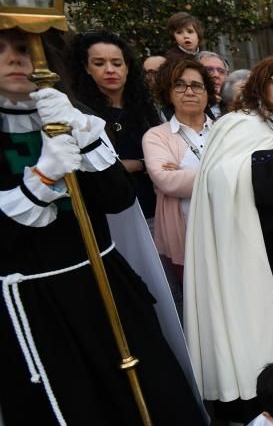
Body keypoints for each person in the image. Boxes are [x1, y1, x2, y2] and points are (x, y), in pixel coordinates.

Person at [0, 29, 218, 426]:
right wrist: (46, 172)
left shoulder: (69, 114)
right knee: (82, 396)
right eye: (4, 52)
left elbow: (118, 199)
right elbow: (10, 230)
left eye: (24, 51)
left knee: (151, 373)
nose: (16, 61)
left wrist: (82, 134)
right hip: (37, 297)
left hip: (99, 267)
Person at [185, 56, 273, 426]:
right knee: (251, 332)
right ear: (260, 85)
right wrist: (269, 167)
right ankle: (255, 415)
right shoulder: (238, 125)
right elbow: (218, 180)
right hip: (241, 252)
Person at [68, 31, 160, 222]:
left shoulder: (145, 109)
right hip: (111, 215)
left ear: (127, 67)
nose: (110, 70)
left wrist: (138, 164)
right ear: (86, 68)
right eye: (99, 63)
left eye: (117, 63)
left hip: (155, 207)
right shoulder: (80, 116)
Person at [142, 58, 214, 281]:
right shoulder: (157, 136)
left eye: (197, 85)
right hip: (187, 238)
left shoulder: (224, 130)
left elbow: (246, 172)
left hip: (229, 231)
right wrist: (221, 172)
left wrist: (184, 173)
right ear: (168, 92)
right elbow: (166, 181)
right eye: (180, 85)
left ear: (207, 92)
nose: (190, 91)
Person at [195, 51, 229, 118]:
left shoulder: (237, 106)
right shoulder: (187, 106)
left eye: (221, 71)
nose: (216, 75)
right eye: (209, 70)